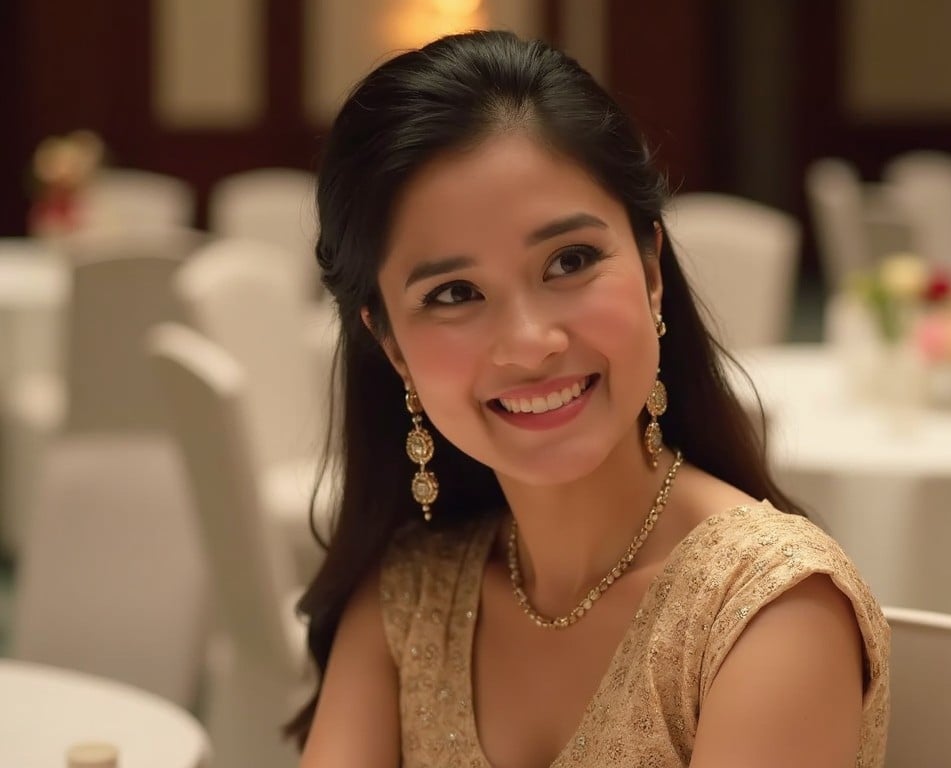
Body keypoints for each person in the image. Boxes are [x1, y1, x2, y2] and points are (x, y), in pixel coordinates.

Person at [288, 29, 889, 767]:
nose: (530, 341)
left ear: (651, 267)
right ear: (392, 348)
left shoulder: (766, 610)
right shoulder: (408, 599)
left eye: (569, 261)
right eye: (454, 294)